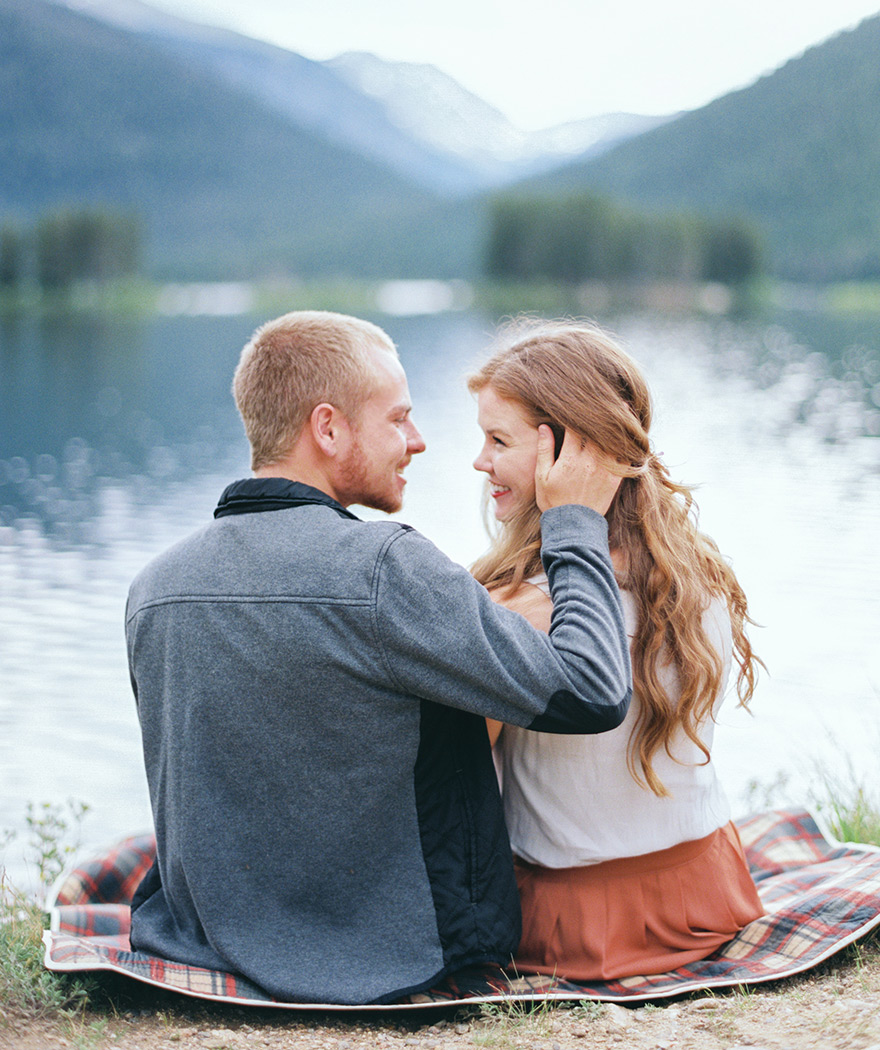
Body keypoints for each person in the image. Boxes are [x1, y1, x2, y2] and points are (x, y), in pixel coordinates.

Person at [125, 310, 632, 1006]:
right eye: (398, 419)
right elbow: (592, 690)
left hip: (199, 939)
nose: (418, 442)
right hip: (402, 957)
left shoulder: (153, 588)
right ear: (327, 428)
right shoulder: (383, 567)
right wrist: (575, 521)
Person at [469, 318, 764, 982]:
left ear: (568, 450)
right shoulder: (699, 575)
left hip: (572, 927)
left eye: (496, 440)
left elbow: (451, 783)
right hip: (710, 896)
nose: (479, 461)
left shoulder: (527, 607)